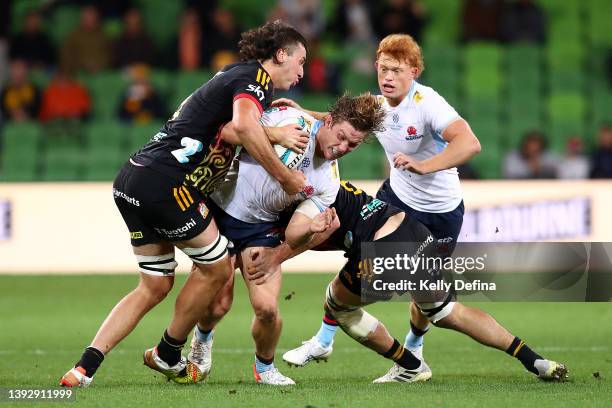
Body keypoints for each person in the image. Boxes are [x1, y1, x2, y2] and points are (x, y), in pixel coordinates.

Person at [60, 20, 309, 388]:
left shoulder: (233, 76)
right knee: (219, 266)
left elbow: (224, 129)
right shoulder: (255, 78)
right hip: (167, 184)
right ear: (280, 54)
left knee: (154, 285)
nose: (302, 70)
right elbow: (241, 127)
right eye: (300, 60)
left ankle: (83, 368)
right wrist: (286, 177)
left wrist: (275, 130)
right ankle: (168, 352)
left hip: (132, 178)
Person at [275, 33, 481, 377]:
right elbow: (342, 121)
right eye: (383, 68)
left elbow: (470, 144)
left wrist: (424, 166)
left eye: (396, 70)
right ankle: (324, 339)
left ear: (413, 72)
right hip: (397, 199)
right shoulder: (379, 105)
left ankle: (414, 349)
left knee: (426, 294)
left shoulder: (429, 103)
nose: (387, 77)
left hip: (441, 212)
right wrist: (302, 112)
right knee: (357, 262)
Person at [167, 93, 385, 385]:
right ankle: (201, 341)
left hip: (260, 227)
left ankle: (265, 367)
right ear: (329, 121)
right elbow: (233, 129)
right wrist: (272, 134)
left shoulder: (328, 183)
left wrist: (313, 226)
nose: (342, 148)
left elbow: (294, 233)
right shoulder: (290, 122)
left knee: (268, 309)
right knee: (218, 304)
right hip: (218, 211)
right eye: (342, 137)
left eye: (352, 145)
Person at [259, 181, 568, 383]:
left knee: (338, 304)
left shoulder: (301, 203)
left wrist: (276, 257)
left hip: (384, 250)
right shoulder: (324, 178)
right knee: (447, 311)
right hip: (413, 230)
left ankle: (409, 365)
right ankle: (535, 360)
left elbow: (324, 230)